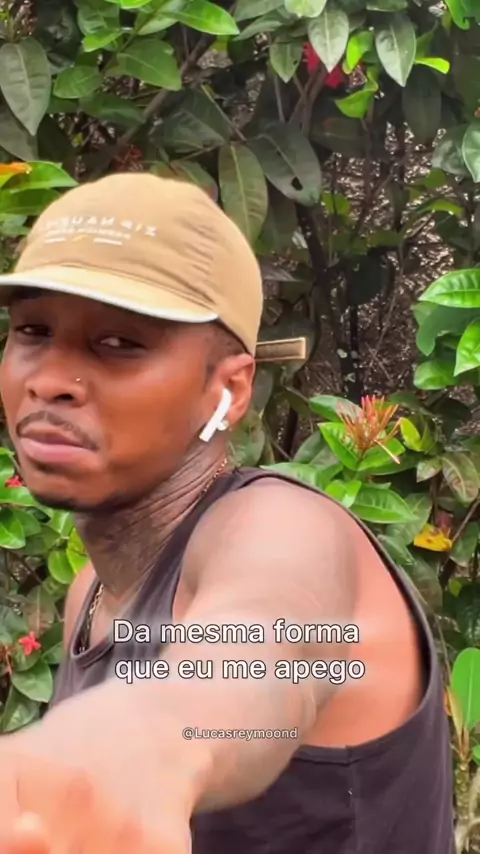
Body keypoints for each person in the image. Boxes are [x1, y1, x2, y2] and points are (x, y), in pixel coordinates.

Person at [0, 172, 453, 854]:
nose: (50, 380)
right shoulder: (89, 594)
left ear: (229, 390)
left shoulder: (283, 527)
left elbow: (258, 647)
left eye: (119, 344)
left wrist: (141, 741)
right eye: (33, 331)